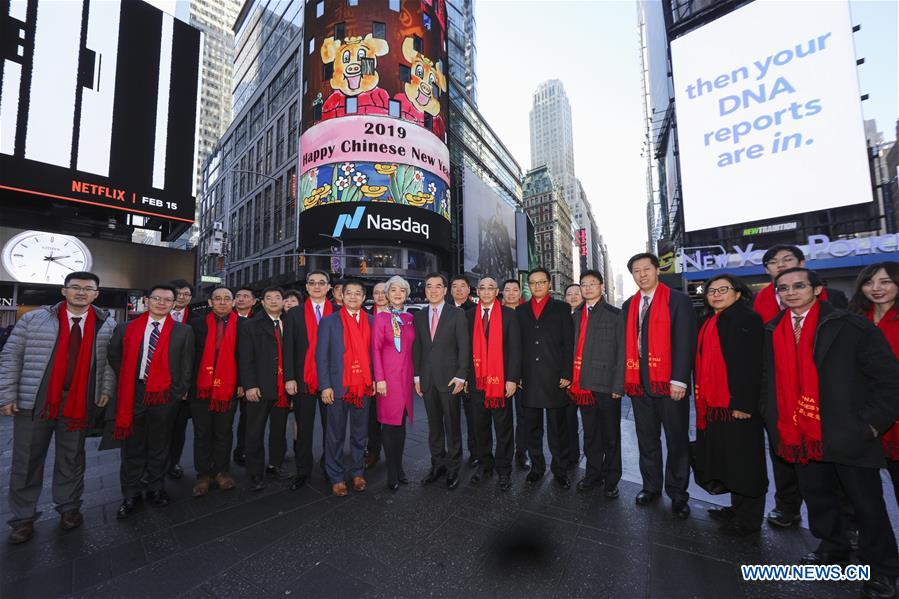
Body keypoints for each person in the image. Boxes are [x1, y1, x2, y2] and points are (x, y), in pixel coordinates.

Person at [762, 267, 899, 597]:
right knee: (819, 498)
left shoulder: (848, 325)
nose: (791, 292)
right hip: (800, 435)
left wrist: (870, 424)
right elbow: (769, 383)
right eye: (784, 288)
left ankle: (883, 569)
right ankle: (833, 551)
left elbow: (888, 379)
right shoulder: (773, 329)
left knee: (866, 505)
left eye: (799, 286)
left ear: (817, 289)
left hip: (848, 433)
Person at [0, 272, 116, 544]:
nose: (81, 292)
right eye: (75, 287)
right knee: (26, 460)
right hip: (36, 400)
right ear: (63, 291)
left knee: (72, 457)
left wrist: (106, 390)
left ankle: (69, 507)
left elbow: (108, 363)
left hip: (79, 402)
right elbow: (11, 356)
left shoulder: (105, 324)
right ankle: (23, 518)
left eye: (88, 289)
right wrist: (6, 394)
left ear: (96, 294)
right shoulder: (35, 319)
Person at [753, 244, 848, 528]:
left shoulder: (836, 301)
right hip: (780, 396)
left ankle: (845, 523)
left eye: (787, 260)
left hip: (823, 397)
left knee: (834, 465)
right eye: (773, 262)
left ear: (803, 263)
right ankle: (787, 507)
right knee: (783, 456)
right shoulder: (760, 303)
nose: (780, 265)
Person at [107, 284, 194, 519]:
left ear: (174, 303)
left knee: (160, 445)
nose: (161, 303)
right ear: (147, 300)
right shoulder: (126, 328)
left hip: (166, 396)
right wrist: (130, 377)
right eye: (157, 298)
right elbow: (114, 355)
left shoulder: (183, 331)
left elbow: (187, 366)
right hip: (133, 393)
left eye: (167, 300)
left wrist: (178, 392)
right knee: (132, 447)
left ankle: (156, 488)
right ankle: (131, 493)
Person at [623, 253, 697, 518]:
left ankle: (678, 493)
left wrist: (679, 379)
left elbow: (685, 342)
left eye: (646, 269)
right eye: (636, 271)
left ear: (657, 270)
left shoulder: (678, 301)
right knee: (647, 439)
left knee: (677, 440)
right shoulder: (629, 305)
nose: (641, 274)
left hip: (669, 384)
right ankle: (651, 487)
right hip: (639, 384)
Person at [693, 275, 768, 536]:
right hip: (714, 405)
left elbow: (751, 365)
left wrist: (744, 403)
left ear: (737, 294)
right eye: (711, 290)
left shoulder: (747, 320)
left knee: (746, 462)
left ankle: (749, 519)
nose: (715, 294)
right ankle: (737, 508)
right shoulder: (709, 321)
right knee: (729, 459)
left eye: (723, 289)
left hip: (738, 405)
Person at [569, 270, 624, 499]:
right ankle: (593, 474)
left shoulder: (614, 314)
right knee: (590, 434)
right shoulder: (575, 315)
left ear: (601, 286)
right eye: (584, 284)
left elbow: (622, 351)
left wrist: (618, 386)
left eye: (592, 283)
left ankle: (612, 479)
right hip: (583, 385)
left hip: (606, 384)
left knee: (611, 435)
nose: (588, 288)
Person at [316, 280, 374, 497]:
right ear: (341, 295)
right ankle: (336, 476)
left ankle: (358, 472)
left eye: (357, 293)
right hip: (337, 386)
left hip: (363, 388)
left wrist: (375, 380)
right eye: (348, 293)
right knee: (335, 434)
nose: (352, 297)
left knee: (360, 434)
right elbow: (321, 356)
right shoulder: (329, 322)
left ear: (363, 297)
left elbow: (374, 355)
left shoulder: (371, 320)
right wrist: (325, 386)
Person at [412, 272, 470, 489]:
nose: (433, 290)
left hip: (449, 380)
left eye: (438, 286)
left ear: (445, 290)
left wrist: (461, 376)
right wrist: (417, 377)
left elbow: (464, 347)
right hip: (427, 380)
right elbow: (417, 348)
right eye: (429, 286)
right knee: (434, 426)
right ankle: (437, 465)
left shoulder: (456, 314)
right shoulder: (419, 315)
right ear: (425, 290)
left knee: (452, 426)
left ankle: (454, 468)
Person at [518, 267, 574, 488]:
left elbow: (568, 344)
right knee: (532, 427)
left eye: (542, 282)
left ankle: (559, 469)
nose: (537, 286)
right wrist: (517, 375)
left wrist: (567, 373)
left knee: (557, 428)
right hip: (529, 377)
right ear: (529, 286)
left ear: (549, 284)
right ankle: (537, 467)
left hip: (554, 377)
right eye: (533, 283)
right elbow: (517, 347)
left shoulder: (562, 308)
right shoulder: (520, 312)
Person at [850, 261, 899, 506]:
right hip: (864, 416)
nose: (876, 288)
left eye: (885, 281)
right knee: (865, 495)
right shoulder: (854, 320)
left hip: (894, 412)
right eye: (869, 282)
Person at [465, 277, 521, 491]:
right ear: (477, 291)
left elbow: (516, 350)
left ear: (497, 291)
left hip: (501, 383)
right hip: (478, 382)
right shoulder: (468, 316)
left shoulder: (509, 315)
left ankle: (504, 470)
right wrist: (467, 378)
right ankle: (485, 465)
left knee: (503, 427)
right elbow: (465, 351)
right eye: (482, 288)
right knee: (480, 427)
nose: (487, 292)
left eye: (491, 288)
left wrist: (512, 379)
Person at [188, 286, 243, 497]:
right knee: (202, 433)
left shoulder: (243, 325)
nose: (222, 302)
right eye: (217, 299)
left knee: (224, 431)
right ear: (210, 302)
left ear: (234, 302)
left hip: (228, 387)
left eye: (227, 299)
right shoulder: (195, 325)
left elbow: (245, 357)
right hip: (200, 388)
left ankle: (222, 471)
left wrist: (241, 383)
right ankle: (203, 474)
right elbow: (188, 357)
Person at [284, 271, 336, 489]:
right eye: (312, 283)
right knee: (303, 428)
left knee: (331, 427)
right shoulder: (295, 313)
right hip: (302, 379)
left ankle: (329, 466)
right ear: (306, 287)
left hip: (331, 381)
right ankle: (302, 470)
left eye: (321, 283)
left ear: (329, 287)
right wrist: (289, 378)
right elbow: (288, 348)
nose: (316, 286)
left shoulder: (338, 312)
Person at [238, 287, 290, 491]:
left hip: (284, 387)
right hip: (259, 387)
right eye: (269, 298)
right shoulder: (251, 325)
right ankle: (254, 472)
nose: (274, 301)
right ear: (262, 302)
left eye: (278, 297)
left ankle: (274, 465)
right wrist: (249, 385)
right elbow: (246, 359)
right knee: (254, 432)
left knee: (278, 431)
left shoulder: (290, 322)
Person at [372, 276, 416, 491]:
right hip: (387, 381)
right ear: (387, 295)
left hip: (406, 379)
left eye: (402, 290)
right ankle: (391, 471)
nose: (398, 294)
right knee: (390, 426)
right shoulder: (380, 318)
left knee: (401, 425)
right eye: (393, 290)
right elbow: (376, 350)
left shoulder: (409, 318)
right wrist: (379, 379)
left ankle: (399, 467)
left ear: (406, 294)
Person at [166, 279, 197, 481]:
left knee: (178, 428)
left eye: (186, 294)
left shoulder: (196, 320)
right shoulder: (154, 316)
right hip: (156, 383)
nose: (182, 297)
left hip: (184, 385)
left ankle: (172, 462)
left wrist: (188, 384)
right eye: (178, 293)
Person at [450, 274, 480, 467]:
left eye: (463, 286)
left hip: (469, 373)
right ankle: (453, 453)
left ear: (469, 290)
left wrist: (467, 373)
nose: (459, 289)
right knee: (450, 417)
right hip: (447, 372)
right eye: (455, 286)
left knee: (473, 416)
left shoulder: (476, 311)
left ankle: (476, 452)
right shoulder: (444, 309)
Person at [502, 278, 530, 470]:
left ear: (520, 293)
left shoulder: (526, 314)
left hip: (524, 374)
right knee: (503, 418)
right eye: (507, 290)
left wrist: (519, 374)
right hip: (499, 373)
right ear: (501, 293)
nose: (511, 293)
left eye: (515, 290)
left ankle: (522, 452)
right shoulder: (495, 312)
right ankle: (504, 453)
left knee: (524, 416)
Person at [364, 281, 390, 469]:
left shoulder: (398, 316)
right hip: (369, 374)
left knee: (391, 418)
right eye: (376, 292)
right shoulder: (364, 317)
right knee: (371, 418)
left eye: (383, 292)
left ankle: (392, 454)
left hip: (392, 375)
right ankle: (373, 451)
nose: (380, 296)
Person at [232, 286, 257, 467]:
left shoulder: (258, 321)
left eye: (245, 296)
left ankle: (243, 450)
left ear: (254, 301)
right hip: (226, 377)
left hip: (250, 379)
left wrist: (245, 382)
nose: (241, 299)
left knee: (248, 420)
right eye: (238, 296)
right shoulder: (227, 320)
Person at [562, 282, 583, 468]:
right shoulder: (562, 317)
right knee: (566, 419)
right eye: (569, 294)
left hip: (582, 378)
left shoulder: (586, 316)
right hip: (563, 378)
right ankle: (568, 453)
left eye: (577, 293)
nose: (574, 296)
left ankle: (575, 455)